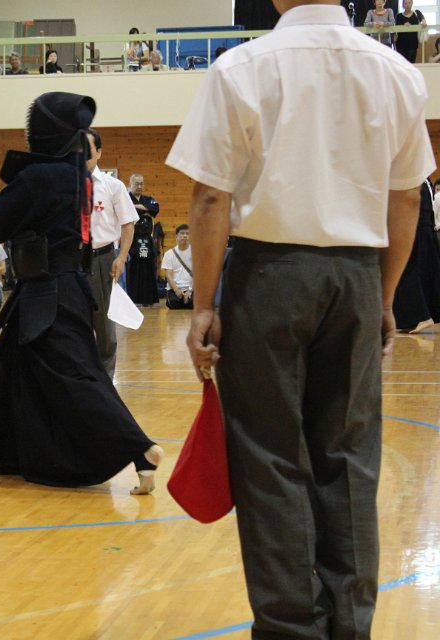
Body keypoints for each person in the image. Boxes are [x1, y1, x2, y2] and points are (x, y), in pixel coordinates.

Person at [166, 1, 434, 636]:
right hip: (356, 273)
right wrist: (383, 298)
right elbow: (406, 199)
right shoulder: (397, 72)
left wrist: (203, 305)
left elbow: (211, 195)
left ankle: (290, 628)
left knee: (269, 459)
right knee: (350, 459)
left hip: (268, 276)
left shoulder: (241, 67)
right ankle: (350, 625)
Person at [0, 92, 163, 490]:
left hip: (49, 294)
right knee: (6, 369)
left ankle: (139, 448)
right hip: (57, 288)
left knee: (74, 375)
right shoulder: (72, 176)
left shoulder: (40, 177)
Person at [86, 129, 137, 374]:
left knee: (105, 329)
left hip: (103, 259)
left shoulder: (112, 186)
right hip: (71, 261)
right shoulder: (66, 186)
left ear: (99, 152)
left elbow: (128, 224)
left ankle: (105, 384)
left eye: (87, 149)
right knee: (74, 326)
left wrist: (122, 257)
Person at [392, 179, 440, 333]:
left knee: (406, 271)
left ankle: (420, 316)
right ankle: (423, 316)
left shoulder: (417, 181)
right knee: (425, 274)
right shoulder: (425, 181)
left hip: (416, 231)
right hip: (424, 231)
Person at [126, 174, 160, 306]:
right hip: (132, 238)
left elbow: (155, 208)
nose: (139, 186)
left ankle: (148, 299)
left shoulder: (148, 199)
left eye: (141, 183)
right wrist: (145, 210)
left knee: (148, 268)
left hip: (147, 238)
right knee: (134, 268)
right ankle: (134, 300)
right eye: (137, 183)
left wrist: (137, 207)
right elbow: (127, 210)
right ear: (130, 184)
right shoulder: (126, 198)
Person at [160, 224, 193, 309]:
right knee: (174, 303)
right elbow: (168, 275)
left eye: (187, 234)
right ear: (176, 237)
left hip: (190, 288)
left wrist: (190, 290)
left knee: (192, 302)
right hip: (174, 288)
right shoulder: (169, 254)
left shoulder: (195, 253)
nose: (185, 236)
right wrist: (176, 290)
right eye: (182, 233)